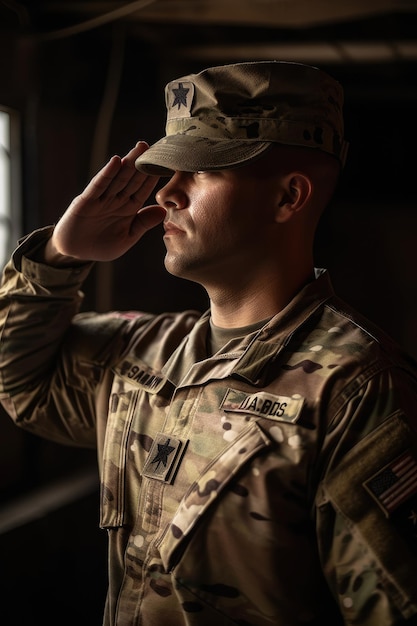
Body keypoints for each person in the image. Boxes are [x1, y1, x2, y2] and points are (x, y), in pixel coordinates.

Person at [0, 60, 417, 626]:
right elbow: (20, 379)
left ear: (288, 198)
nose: (167, 193)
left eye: (200, 172)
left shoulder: (357, 390)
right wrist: (59, 259)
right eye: (169, 172)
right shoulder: (145, 352)